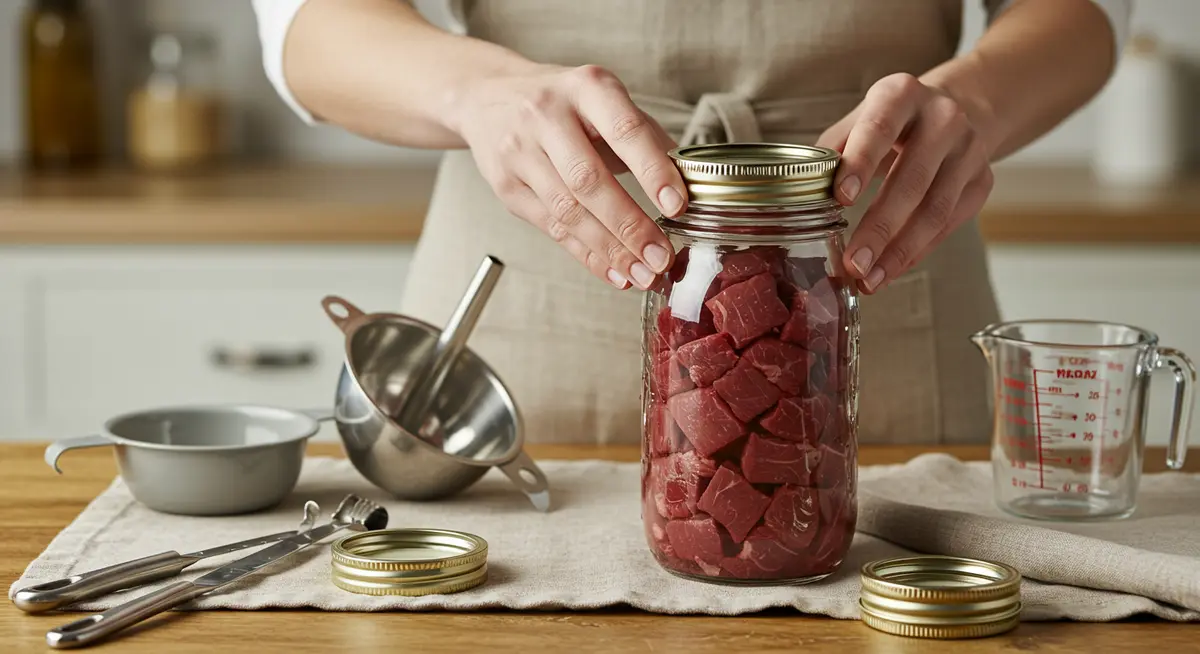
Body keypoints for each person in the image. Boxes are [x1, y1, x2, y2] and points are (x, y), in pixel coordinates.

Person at [252, 0, 1131, 446]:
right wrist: (475, 93)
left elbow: (1084, 13)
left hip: (877, 266)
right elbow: (307, 21)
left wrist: (971, 99)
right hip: (520, 326)